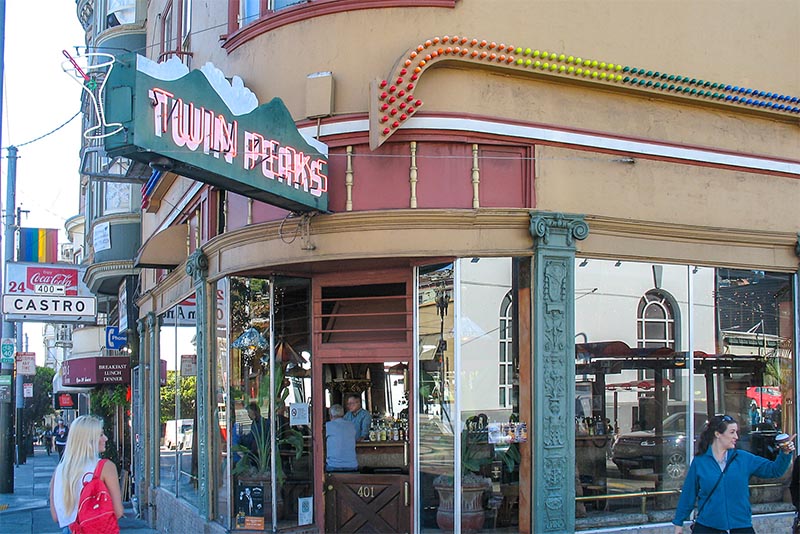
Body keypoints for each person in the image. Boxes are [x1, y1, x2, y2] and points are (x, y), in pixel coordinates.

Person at [672, 414, 795, 534]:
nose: (736, 436)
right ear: (717, 434)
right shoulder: (700, 462)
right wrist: (678, 523)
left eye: (736, 432)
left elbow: (774, 470)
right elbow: (688, 494)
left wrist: (785, 453)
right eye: (732, 432)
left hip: (741, 526)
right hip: (707, 526)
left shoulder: (743, 458)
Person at [49, 415, 124, 534]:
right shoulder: (105, 467)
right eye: (100, 435)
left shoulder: (59, 471)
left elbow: (56, 516)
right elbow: (118, 511)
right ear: (88, 439)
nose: (105, 438)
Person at [325, 404, 358, 472]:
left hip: (333, 465)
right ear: (343, 415)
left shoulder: (328, 426)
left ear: (330, 415)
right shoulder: (351, 425)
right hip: (352, 466)